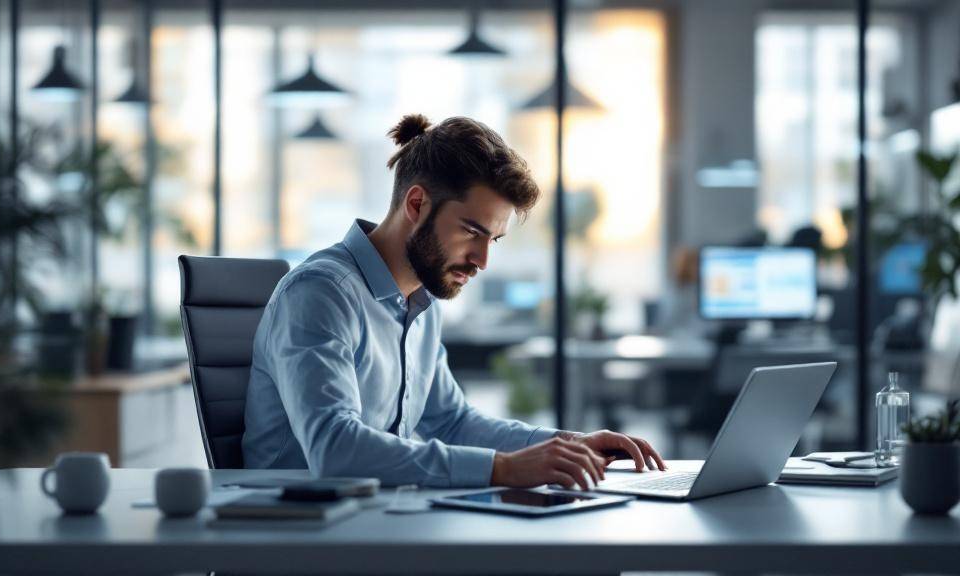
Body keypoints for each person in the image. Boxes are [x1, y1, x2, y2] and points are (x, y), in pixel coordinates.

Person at [243, 114, 666, 488]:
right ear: (416, 203)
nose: (482, 260)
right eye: (471, 231)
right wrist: (502, 469)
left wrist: (567, 444)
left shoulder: (420, 303)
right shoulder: (322, 293)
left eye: (492, 240)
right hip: (297, 536)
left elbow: (451, 422)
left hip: (375, 519)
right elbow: (335, 449)